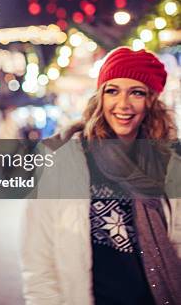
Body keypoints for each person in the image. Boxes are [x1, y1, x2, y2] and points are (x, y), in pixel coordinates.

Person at [20, 47, 181, 304]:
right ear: (100, 97)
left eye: (136, 92)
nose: (123, 104)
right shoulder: (64, 159)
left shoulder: (170, 162)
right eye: (112, 91)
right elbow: (38, 256)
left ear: (150, 100)